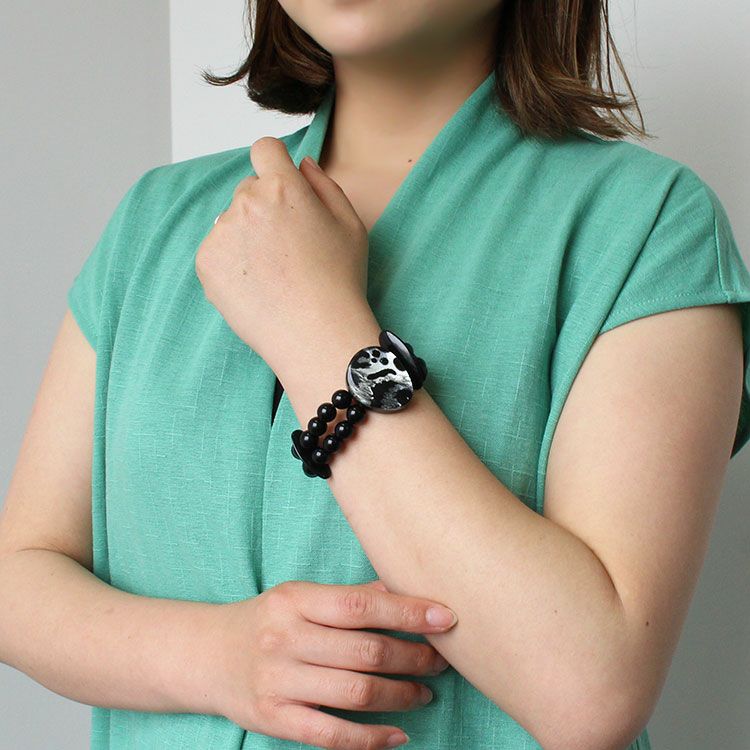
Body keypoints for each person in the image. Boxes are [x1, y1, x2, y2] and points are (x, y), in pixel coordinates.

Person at [2, 1, 749, 749]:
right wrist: (218, 658)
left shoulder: (648, 226)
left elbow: (591, 690)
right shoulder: (154, 222)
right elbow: (18, 580)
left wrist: (314, 324)